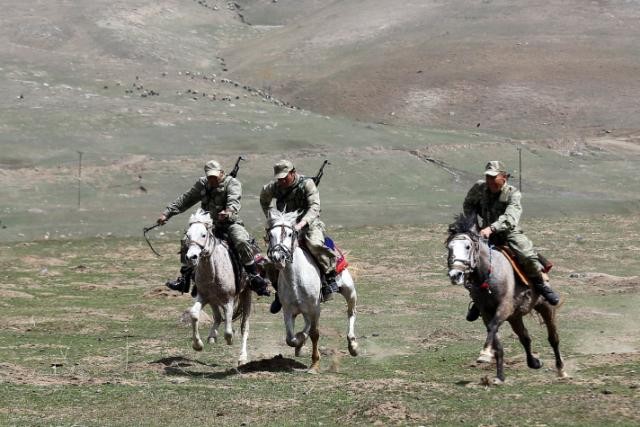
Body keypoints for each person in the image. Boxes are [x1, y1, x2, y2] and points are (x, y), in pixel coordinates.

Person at [462, 160, 560, 321]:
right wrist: (474, 225)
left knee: (526, 255)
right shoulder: (479, 188)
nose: (490, 181)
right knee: (471, 260)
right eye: (488, 177)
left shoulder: (513, 193)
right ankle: (477, 300)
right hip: (485, 233)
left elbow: (510, 218)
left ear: (504, 177)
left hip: (508, 233)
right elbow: (468, 204)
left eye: (494, 177)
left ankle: (541, 286)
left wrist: (492, 228)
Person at [157, 160, 270, 297]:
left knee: (241, 240)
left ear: (221, 173)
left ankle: (253, 276)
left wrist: (227, 212)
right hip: (208, 225)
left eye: (215, 177)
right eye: (209, 177)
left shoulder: (232, 183)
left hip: (229, 223)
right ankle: (184, 279)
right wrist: (167, 214)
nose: (212, 179)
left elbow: (234, 201)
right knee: (187, 240)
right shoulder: (202, 184)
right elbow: (186, 199)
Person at [260, 159, 339, 313]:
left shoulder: (307, 184)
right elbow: (264, 199)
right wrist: (273, 218)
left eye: (285, 177)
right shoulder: (274, 187)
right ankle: (279, 292)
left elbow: (315, 206)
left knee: (315, 244)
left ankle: (329, 279)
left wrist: (302, 223)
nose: (282, 181)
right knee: (271, 257)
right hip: (284, 226)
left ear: (293, 172)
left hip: (308, 224)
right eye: (279, 178)